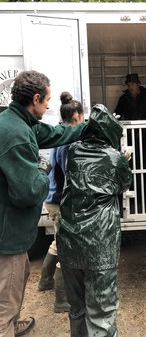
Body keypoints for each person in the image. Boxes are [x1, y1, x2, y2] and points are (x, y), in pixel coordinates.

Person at [0, 70, 86, 337]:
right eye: (47, 99)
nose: (49, 105)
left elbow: (53, 133)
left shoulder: (18, 121)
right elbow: (27, 192)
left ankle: (13, 323)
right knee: (6, 297)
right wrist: (42, 169)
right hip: (7, 233)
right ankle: (6, 325)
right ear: (35, 98)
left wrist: (87, 128)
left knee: (19, 279)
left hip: (13, 230)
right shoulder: (17, 135)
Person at [57, 104, 132, 337]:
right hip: (101, 245)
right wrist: (124, 159)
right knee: (101, 312)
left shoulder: (73, 151)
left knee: (77, 309)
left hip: (69, 241)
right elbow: (123, 184)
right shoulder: (114, 157)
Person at [38, 92, 84, 313]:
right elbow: (69, 176)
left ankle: (45, 280)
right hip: (59, 201)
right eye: (83, 116)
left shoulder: (61, 133)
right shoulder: (67, 140)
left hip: (52, 199)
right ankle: (61, 300)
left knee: (58, 241)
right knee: (66, 248)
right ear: (76, 116)